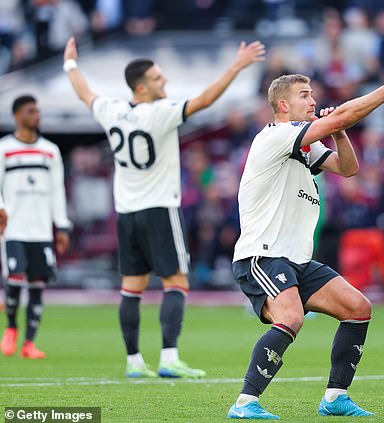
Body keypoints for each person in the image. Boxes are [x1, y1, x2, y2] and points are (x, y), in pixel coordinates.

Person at [63, 36, 265, 378]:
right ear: (141, 87)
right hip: (160, 209)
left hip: (126, 213)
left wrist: (70, 63)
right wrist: (237, 65)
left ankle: (133, 361)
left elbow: (84, 92)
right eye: (158, 78)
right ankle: (169, 357)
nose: (165, 81)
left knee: (132, 287)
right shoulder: (160, 113)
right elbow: (204, 100)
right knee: (175, 282)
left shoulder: (111, 109)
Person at [228, 65, 384, 419]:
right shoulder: (276, 135)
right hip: (264, 254)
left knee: (358, 308)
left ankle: (334, 397)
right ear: (283, 105)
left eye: (312, 93)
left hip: (296, 260)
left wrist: (341, 134)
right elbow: (342, 114)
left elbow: (348, 169)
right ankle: (244, 403)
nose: (313, 100)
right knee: (292, 317)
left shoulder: (304, 145)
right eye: (305, 95)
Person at [0, 95, 72, 359]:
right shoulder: (4, 148)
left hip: (41, 229)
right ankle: (10, 329)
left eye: (38, 111)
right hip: (14, 228)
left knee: (38, 284)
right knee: (16, 277)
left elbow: (57, 191)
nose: (37, 115)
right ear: (18, 115)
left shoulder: (50, 151)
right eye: (31, 111)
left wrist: (61, 226)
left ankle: (29, 344)